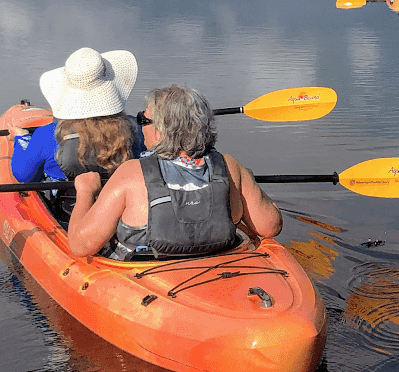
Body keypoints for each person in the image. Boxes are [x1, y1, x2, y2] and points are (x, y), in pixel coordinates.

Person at [67, 85, 282, 260]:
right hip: (218, 264)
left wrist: (85, 191)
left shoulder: (131, 173)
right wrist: (247, 180)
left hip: (146, 277)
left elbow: (80, 246)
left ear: (161, 130)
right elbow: (270, 226)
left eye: (144, 120)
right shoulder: (230, 166)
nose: (141, 127)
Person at [10, 47, 145, 219]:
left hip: (69, 214)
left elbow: (25, 176)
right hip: (124, 214)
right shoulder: (136, 128)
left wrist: (21, 137)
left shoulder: (47, 134)